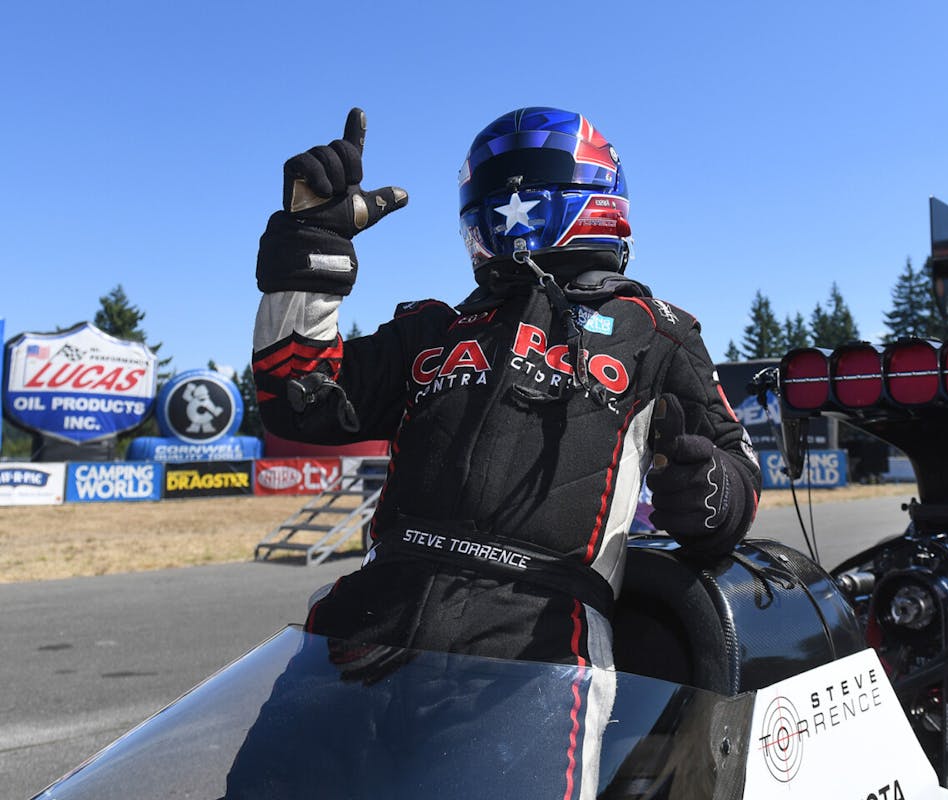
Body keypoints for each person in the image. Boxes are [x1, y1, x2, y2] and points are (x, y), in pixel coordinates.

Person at [243, 106, 761, 794]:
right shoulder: (432, 327)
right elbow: (298, 398)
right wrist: (311, 246)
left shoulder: (657, 332)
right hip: (361, 628)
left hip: (535, 647)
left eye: (528, 182)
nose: (508, 201)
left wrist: (708, 490)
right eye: (490, 191)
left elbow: (737, 468)